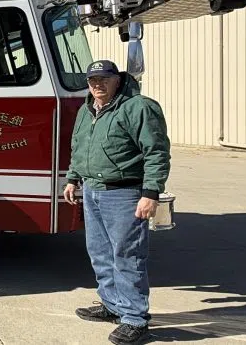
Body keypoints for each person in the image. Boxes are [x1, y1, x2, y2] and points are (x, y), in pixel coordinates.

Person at [64, 60, 171, 345]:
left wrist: (150, 193)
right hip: (92, 190)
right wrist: (73, 178)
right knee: (99, 252)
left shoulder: (139, 107)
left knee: (128, 256)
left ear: (117, 80)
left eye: (103, 79)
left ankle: (135, 319)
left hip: (124, 194)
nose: (97, 84)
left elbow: (156, 151)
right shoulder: (87, 111)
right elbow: (79, 145)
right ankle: (111, 304)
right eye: (92, 80)